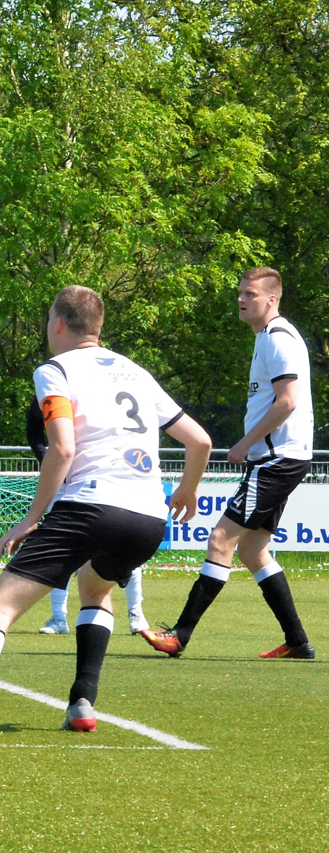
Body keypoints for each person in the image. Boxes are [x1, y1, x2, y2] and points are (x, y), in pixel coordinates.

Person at [0, 286, 210, 739]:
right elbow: (200, 441)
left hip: (90, 503)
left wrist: (32, 518)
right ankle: (82, 704)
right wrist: (188, 489)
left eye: (49, 318)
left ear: (59, 324)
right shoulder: (136, 373)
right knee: (96, 589)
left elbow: (62, 449)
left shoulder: (56, 370)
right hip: (147, 516)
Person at [142, 267, 316, 660]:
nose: (241, 299)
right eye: (239, 292)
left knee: (221, 539)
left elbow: (287, 402)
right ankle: (298, 642)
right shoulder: (267, 338)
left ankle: (180, 635)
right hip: (280, 458)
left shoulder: (278, 339)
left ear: (272, 299)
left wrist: (245, 443)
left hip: (275, 459)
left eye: (250, 294)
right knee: (253, 549)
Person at [24, 397, 150, 637]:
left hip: (107, 478)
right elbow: (34, 426)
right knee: (61, 548)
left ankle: (136, 612)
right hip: (67, 481)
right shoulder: (55, 386)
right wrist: (48, 460)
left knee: (125, 547)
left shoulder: (105, 392)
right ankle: (58, 617)